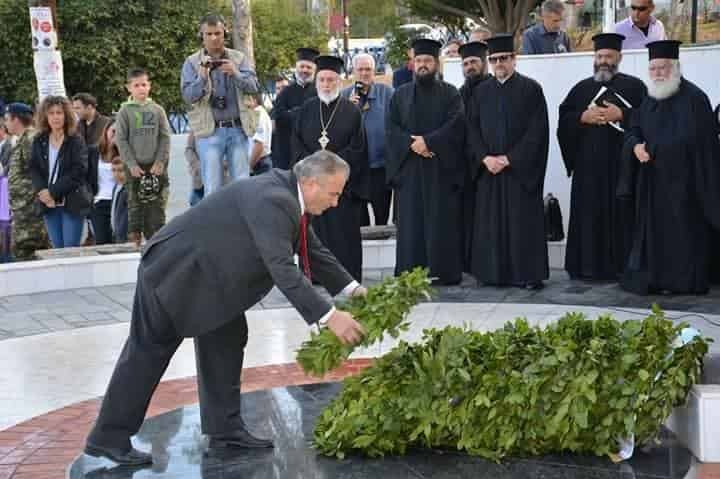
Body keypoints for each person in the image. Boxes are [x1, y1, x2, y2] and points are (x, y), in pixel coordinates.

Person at [84, 151, 368, 466]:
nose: (336, 201)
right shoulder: (276, 199)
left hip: (210, 282)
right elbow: (282, 268)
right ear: (311, 183)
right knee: (147, 352)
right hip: (174, 273)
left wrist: (353, 290)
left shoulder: (289, 195)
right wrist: (329, 316)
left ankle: (225, 431)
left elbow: (309, 248)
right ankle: (107, 439)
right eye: (334, 193)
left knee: (226, 339)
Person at [619, 40, 720, 295]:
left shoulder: (695, 99)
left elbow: (704, 145)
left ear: (675, 67)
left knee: (682, 235)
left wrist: (662, 151)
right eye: (653, 69)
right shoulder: (649, 98)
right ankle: (655, 279)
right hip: (652, 185)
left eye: (663, 68)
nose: (658, 74)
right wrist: (635, 146)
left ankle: (682, 282)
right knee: (653, 236)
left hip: (685, 185)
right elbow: (634, 129)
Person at [557, 33, 647, 281]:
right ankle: (587, 268)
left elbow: (649, 118)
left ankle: (622, 268)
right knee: (589, 218)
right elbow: (563, 121)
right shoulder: (581, 89)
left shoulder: (635, 87)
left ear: (619, 57)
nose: (603, 61)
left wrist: (623, 115)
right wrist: (581, 118)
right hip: (588, 170)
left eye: (608, 56)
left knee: (623, 216)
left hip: (622, 168)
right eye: (599, 56)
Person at [467, 34, 550, 289]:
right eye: (493, 59)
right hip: (489, 170)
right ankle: (491, 274)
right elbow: (471, 130)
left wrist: (510, 158)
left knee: (522, 223)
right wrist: (484, 158)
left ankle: (526, 275)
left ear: (514, 59)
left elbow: (538, 132)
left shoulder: (531, 89)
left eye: (504, 58)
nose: (499, 63)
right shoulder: (480, 92)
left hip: (518, 172)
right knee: (490, 224)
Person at [386, 38, 466, 285]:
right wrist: (413, 145)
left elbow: (456, 125)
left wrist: (429, 142)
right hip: (409, 170)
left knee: (441, 221)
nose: (423, 65)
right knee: (410, 225)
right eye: (419, 60)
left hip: (440, 170)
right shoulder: (400, 95)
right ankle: (410, 274)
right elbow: (391, 128)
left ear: (436, 63)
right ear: (413, 63)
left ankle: (444, 273)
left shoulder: (450, 92)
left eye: (427, 61)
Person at [292, 55, 368, 282]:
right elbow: (296, 146)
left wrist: (330, 169)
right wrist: (315, 169)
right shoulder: (306, 110)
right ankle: (314, 274)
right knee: (314, 234)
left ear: (339, 82)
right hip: (313, 187)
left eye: (331, 80)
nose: (326, 84)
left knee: (343, 236)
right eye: (322, 80)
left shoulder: (352, 111)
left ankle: (346, 277)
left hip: (341, 189)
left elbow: (358, 149)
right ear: (317, 82)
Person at [181, 13, 260, 194]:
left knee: (242, 187)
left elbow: (254, 87)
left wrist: (236, 74)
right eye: (208, 34)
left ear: (225, 32)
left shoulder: (239, 58)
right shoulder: (192, 62)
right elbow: (188, 96)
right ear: (202, 35)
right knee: (212, 189)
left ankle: (240, 222)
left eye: (217, 33)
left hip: (238, 129)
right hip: (209, 132)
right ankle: (215, 223)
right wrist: (201, 77)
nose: (214, 38)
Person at [116, 67, 171, 246]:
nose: (141, 88)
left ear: (149, 86)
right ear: (129, 88)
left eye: (144, 84)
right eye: (136, 85)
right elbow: (121, 140)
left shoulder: (157, 110)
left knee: (156, 209)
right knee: (135, 208)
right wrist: (131, 164)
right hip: (135, 168)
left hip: (155, 167)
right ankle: (135, 244)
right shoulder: (125, 111)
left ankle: (157, 244)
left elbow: (164, 137)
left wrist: (160, 162)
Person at [29, 96, 89, 249]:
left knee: (70, 250)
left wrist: (52, 192)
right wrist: (42, 191)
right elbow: (34, 168)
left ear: (66, 115)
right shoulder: (39, 140)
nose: (55, 117)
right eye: (51, 113)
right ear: (45, 116)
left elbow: (78, 171)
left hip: (71, 202)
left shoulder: (75, 140)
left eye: (59, 113)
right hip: (48, 204)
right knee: (57, 250)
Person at [341, 53, 394, 226]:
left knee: (382, 219)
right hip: (355, 171)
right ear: (353, 72)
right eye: (360, 69)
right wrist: (348, 109)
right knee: (358, 221)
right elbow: (338, 130)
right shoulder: (343, 96)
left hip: (380, 169)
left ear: (374, 71)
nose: (364, 73)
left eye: (368, 69)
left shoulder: (387, 93)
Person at [458, 41, 492, 271]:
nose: (470, 67)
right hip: (465, 168)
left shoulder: (493, 90)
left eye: (474, 62)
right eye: (466, 63)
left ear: (484, 63)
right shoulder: (458, 94)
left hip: (489, 166)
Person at [5, 103, 50, 260]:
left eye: (7, 119)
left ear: (16, 119)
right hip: (24, 210)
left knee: (25, 252)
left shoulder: (30, 139)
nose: (6, 123)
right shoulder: (23, 139)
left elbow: (40, 173)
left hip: (31, 211)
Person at [270, 48, 319, 170]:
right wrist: (302, 113)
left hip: (312, 148)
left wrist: (292, 113)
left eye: (308, 67)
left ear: (314, 70)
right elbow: (279, 116)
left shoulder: (319, 91)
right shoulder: (285, 92)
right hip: (288, 148)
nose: (304, 70)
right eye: (302, 67)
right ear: (296, 68)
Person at [89, 120, 118, 245]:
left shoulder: (127, 153)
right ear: (106, 131)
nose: (116, 134)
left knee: (120, 241)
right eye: (113, 131)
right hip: (99, 203)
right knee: (102, 242)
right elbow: (86, 177)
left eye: (121, 132)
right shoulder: (93, 152)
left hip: (119, 202)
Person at [246, 93, 273, 176]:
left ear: (254, 100)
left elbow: (259, 145)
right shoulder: (257, 114)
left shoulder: (258, 115)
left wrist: (249, 167)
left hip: (259, 164)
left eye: (245, 100)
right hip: (259, 162)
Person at [0, 119, 11, 262]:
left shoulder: (9, 145)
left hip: (5, 188)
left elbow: (7, 168)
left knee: (5, 226)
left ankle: (6, 256)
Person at [110, 158, 128, 243]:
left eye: (120, 170)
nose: (116, 174)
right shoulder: (115, 187)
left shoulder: (129, 190)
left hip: (126, 235)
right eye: (113, 170)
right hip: (116, 232)